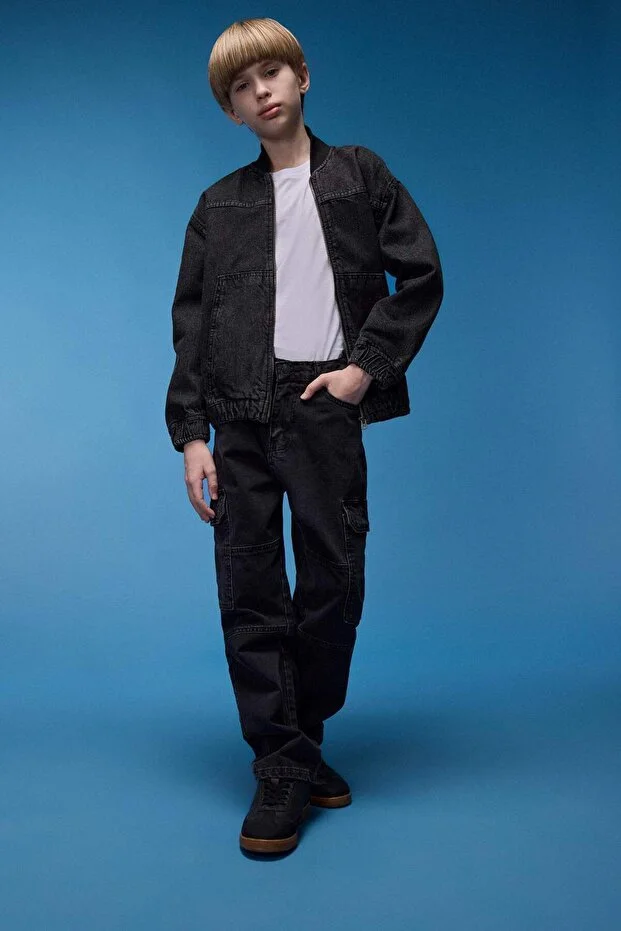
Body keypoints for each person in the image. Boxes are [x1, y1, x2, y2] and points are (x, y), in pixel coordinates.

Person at [164, 17, 444, 855]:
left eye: (272, 73)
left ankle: (298, 736)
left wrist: (365, 368)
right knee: (249, 586)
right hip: (239, 413)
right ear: (230, 111)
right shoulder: (217, 206)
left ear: (302, 76)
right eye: (241, 87)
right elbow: (191, 327)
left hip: (323, 403)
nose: (261, 92)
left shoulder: (359, 174)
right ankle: (282, 764)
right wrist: (192, 435)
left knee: (332, 579)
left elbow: (420, 273)